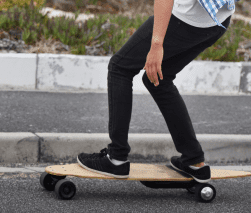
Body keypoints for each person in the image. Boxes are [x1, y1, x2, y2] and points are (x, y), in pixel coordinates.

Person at [77, 0, 238, 183]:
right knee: (160, 79)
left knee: (120, 68)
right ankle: (194, 161)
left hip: (186, 19)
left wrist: (156, 45)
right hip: (218, 20)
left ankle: (116, 158)